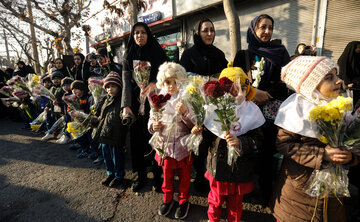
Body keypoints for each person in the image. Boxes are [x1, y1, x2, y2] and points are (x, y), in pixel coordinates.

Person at [271, 56, 359, 222]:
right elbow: (284, 145)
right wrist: (322, 155)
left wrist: (351, 158)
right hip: (299, 195)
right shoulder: (296, 110)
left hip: (332, 196)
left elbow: (353, 145)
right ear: (312, 86)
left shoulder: (342, 109)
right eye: (329, 78)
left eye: (337, 75)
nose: (339, 81)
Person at [233, 14, 291, 205]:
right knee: (246, 150)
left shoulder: (280, 52)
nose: (267, 31)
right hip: (246, 112)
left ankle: (267, 192)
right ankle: (245, 190)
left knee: (267, 153)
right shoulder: (243, 55)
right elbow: (233, 83)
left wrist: (265, 94)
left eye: (270, 27)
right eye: (262, 27)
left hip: (269, 114)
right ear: (253, 29)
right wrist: (252, 92)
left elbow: (287, 82)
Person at [203, 63, 264, 222]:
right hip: (217, 167)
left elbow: (258, 139)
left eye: (242, 89)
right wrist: (197, 129)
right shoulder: (213, 109)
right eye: (231, 90)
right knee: (215, 200)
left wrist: (241, 142)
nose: (238, 94)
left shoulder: (252, 111)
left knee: (235, 204)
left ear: (248, 90)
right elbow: (207, 137)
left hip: (240, 171)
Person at [179, 17, 228, 192]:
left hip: (216, 106)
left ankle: (213, 176)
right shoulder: (189, 54)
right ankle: (200, 177)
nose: (209, 33)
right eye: (205, 30)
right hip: (196, 106)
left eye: (211, 30)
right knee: (199, 142)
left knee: (214, 141)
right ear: (197, 33)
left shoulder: (219, 54)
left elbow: (225, 79)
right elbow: (182, 80)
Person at [121, 22, 167, 192]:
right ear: (132, 36)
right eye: (136, 33)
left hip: (155, 103)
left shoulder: (157, 52)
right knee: (137, 141)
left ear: (148, 34)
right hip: (135, 102)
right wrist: (126, 105)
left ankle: (157, 176)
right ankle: (140, 176)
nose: (140, 36)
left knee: (156, 139)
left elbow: (167, 73)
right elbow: (126, 82)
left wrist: (156, 82)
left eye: (143, 32)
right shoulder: (128, 55)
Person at [148, 62, 194, 219]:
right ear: (162, 81)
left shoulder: (186, 98)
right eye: (168, 82)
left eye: (175, 82)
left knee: (184, 178)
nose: (172, 86)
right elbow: (151, 119)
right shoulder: (158, 99)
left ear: (181, 81)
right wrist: (154, 126)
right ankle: (167, 199)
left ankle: (183, 201)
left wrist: (185, 112)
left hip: (182, 147)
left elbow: (194, 123)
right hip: (165, 147)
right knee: (167, 177)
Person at [92, 72, 126, 188]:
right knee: (107, 156)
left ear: (119, 87)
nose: (110, 89)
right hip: (104, 133)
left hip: (116, 133)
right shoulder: (105, 99)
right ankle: (110, 174)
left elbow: (123, 115)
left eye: (113, 86)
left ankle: (119, 176)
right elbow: (103, 115)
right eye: (108, 87)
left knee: (117, 156)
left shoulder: (122, 100)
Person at [42, 71, 65, 141]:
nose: (56, 80)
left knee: (61, 121)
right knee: (55, 119)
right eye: (54, 79)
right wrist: (47, 106)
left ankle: (62, 132)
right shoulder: (52, 88)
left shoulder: (62, 88)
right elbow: (50, 99)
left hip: (61, 108)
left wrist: (59, 102)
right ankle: (54, 132)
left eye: (58, 79)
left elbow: (65, 99)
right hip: (53, 108)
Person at [338, 41, 360, 105]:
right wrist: (347, 83)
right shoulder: (343, 60)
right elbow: (343, 72)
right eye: (359, 48)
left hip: (357, 84)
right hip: (349, 85)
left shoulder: (357, 58)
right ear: (353, 48)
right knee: (350, 104)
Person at [57, 77, 73, 144]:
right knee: (67, 124)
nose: (65, 87)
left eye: (67, 85)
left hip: (72, 113)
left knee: (70, 125)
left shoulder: (72, 94)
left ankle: (68, 137)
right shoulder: (64, 94)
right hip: (66, 112)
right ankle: (67, 137)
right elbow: (63, 104)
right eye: (63, 85)